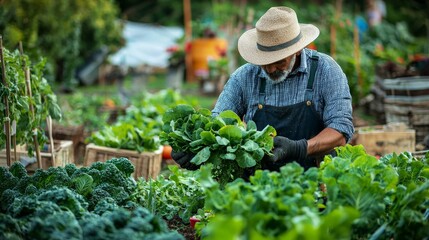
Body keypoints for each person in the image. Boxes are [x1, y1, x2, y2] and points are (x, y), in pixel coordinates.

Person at [172, 6, 354, 172]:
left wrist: (300, 148)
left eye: (279, 61)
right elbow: (219, 122)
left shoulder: (325, 70)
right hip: (258, 185)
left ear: (298, 50)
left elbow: (341, 130)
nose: (270, 69)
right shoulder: (244, 77)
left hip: (315, 180)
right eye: (264, 61)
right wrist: (196, 148)